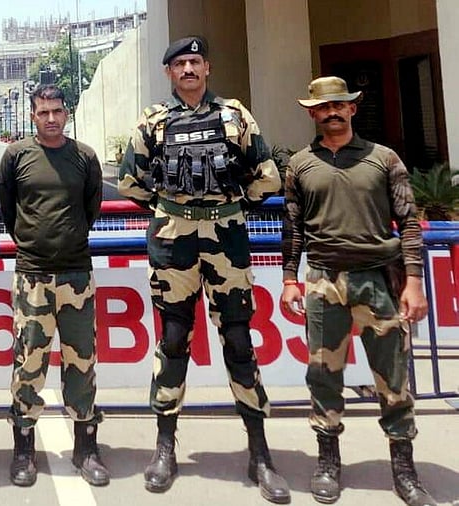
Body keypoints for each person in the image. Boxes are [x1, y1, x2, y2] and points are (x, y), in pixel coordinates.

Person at [117, 36, 290, 503]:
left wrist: (232, 204)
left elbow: (268, 173)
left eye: (195, 61)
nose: (188, 69)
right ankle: (165, 447)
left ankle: (260, 453)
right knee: (173, 340)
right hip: (174, 243)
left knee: (237, 340)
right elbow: (129, 178)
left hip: (226, 240)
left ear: (207, 68)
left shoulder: (236, 116)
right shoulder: (153, 122)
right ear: (169, 73)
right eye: (180, 63)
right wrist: (169, 206)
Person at [280, 76, 435, 506]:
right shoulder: (300, 165)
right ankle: (328, 460)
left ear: (352, 109)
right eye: (322, 107)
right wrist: (289, 278)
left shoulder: (383, 159)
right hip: (324, 280)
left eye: (339, 105)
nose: (331, 112)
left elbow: (408, 222)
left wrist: (415, 282)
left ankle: (403, 468)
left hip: (379, 280)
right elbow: (292, 228)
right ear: (312, 113)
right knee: (323, 375)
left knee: (393, 379)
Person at [0, 84, 109, 487]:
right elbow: (10, 211)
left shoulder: (85, 158)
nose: (50, 119)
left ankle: (86, 444)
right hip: (32, 275)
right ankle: (24, 447)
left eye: (57, 111)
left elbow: (91, 208)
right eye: (43, 112)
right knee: (28, 361)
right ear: (33, 115)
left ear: (67, 113)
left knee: (81, 361)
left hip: (77, 274)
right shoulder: (16, 157)